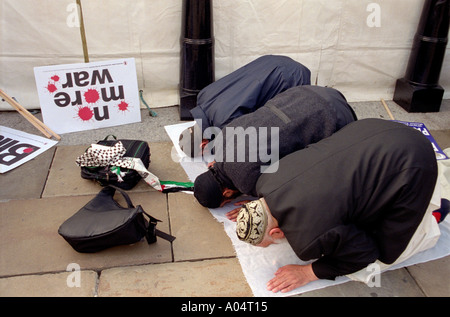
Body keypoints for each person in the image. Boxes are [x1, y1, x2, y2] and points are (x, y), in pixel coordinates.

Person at [232, 119, 441, 293]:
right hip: (375, 128)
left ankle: (439, 213)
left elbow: (364, 253)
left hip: (415, 161)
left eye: (269, 243)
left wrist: (309, 272)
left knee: (386, 253)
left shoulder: (309, 239)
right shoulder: (266, 181)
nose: (272, 247)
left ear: (277, 232)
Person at [193, 85, 357, 208]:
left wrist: (259, 208)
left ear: (226, 193)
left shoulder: (247, 183)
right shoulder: (221, 139)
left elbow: (285, 192)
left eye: (226, 202)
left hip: (332, 116)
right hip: (308, 93)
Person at [179, 55, 311, 157]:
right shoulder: (203, 96)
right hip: (271, 63)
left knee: (295, 116)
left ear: (203, 144)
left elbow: (246, 144)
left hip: (288, 79)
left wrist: (216, 150)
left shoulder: (225, 123)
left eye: (202, 153)